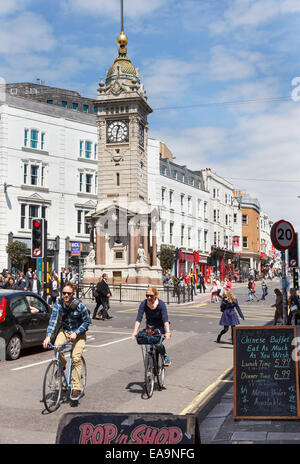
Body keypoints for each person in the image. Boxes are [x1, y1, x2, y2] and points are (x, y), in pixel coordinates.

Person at [43, 282, 91, 401]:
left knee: (75, 358)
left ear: (73, 294)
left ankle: (76, 387)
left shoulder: (80, 306)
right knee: (57, 346)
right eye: (64, 293)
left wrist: (77, 332)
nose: (66, 295)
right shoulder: (58, 304)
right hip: (65, 331)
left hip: (78, 334)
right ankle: (62, 365)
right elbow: (53, 321)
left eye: (68, 293)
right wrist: (48, 336)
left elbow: (87, 322)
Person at [131, 286, 171, 366]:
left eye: (151, 296)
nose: (149, 297)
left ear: (155, 295)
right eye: (147, 296)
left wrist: (168, 332)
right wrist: (134, 331)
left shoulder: (161, 304)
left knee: (158, 344)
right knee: (148, 348)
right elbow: (139, 318)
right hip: (149, 328)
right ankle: (149, 372)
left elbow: (165, 320)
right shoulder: (144, 303)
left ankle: (165, 356)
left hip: (160, 328)